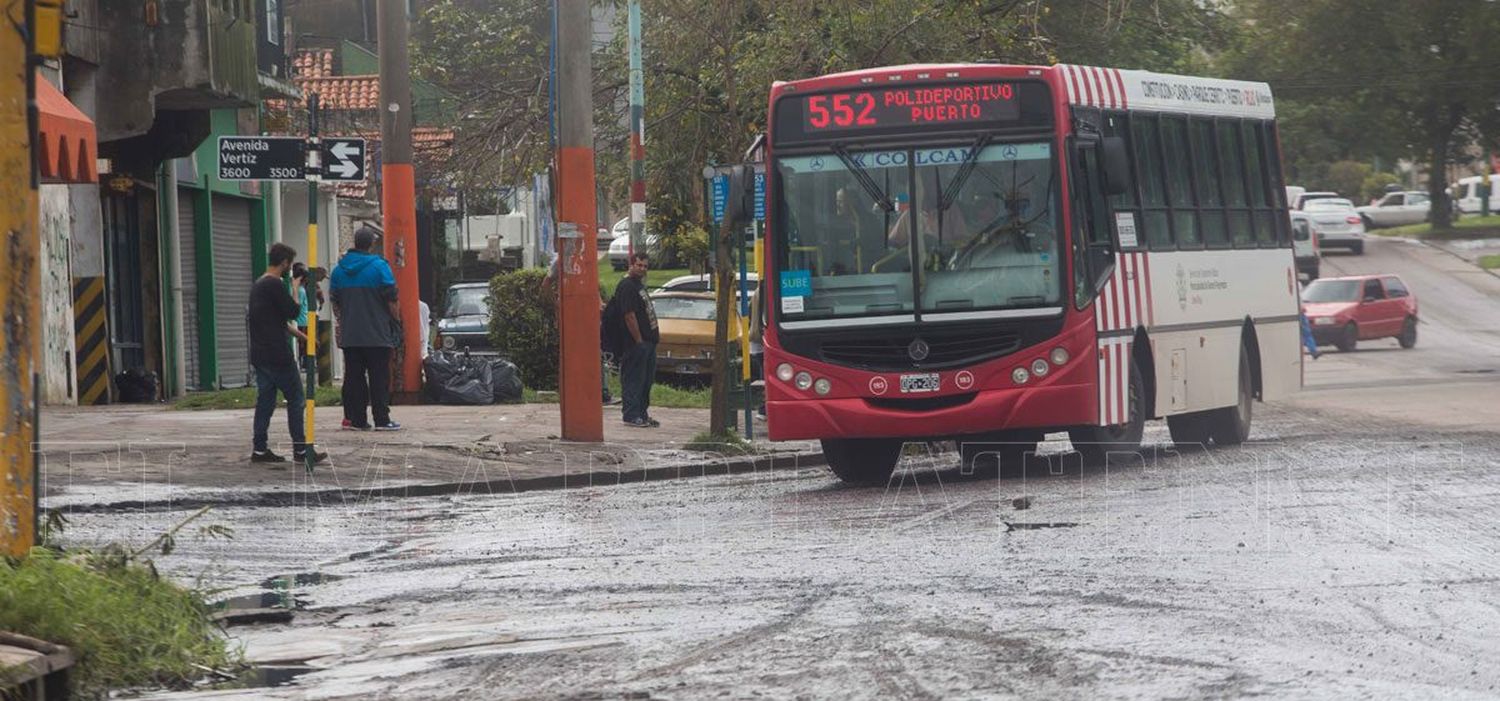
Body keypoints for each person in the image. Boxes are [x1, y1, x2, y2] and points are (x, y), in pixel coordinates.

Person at [248, 243, 326, 465]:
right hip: (277, 355)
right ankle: (301, 451)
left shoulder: (258, 285)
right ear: (284, 263)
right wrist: (294, 287)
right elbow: (293, 311)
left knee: (265, 402)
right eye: (289, 265)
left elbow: (278, 321)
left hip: (260, 355)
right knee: (296, 399)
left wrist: (304, 338)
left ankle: (260, 449)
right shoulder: (274, 285)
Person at [330, 226, 403, 431]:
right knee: (379, 377)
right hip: (377, 334)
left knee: (354, 378)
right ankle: (382, 419)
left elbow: (335, 303)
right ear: (371, 244)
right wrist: (396, 322)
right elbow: (392, 299)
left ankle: (357, 420)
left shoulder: (339, 270)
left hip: (351, 335)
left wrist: (343, 322)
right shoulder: (379, 267)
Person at [540, 249, 616, 404]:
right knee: (573, 353)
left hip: (587, 315)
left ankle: (599, 390)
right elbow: (546, 284)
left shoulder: (587, 261)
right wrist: (556, 305)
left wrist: (599, 303)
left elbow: (591, 284)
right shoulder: (560, 261)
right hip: (571, 316)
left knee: (595, 352)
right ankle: (576, 390)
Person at [611, 252, 659, 427]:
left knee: (646, 381)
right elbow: (629, 315)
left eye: (645, 266)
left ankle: (642, 413)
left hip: (649, 342)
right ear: (630, 265)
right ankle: (631, 415)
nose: (642, 269)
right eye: (639, 265)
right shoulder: (627, 287)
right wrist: (638, 341)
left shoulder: (639, 285)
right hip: (635, 344)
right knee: (634, 379)